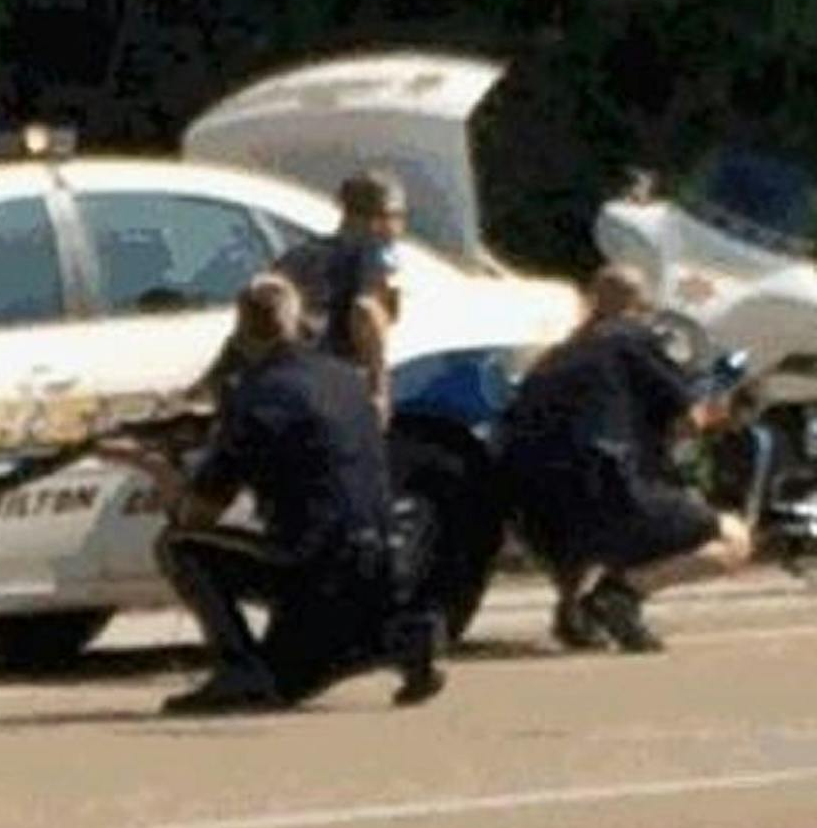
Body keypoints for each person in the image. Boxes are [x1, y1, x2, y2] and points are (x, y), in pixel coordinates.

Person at [98, 272, 446, 714]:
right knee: (322, 650)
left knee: (181, 548)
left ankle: (240, 668)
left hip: (312, 565)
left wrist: (149, 465)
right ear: (297, 322)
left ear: (241, 333)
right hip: (385, 562)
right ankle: (401, 638)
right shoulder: (344, 380)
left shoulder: (257, 400)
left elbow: (197, 516)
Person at [499, 263, 753, 652]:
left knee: (580, 501)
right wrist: (720, 405)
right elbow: (687, 421)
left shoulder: (554, 357)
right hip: (607, 493)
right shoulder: (632, 339)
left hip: (531, 515)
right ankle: (621, 596)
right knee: (733, 538)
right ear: (639, 305)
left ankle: (572, 613)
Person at [189, 169, 407, 426]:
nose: (400, 227)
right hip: (314, 380)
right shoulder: (371, 251)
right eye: (398, 216)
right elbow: (366, 311)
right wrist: (379, 389)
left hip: (258, 377)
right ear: (378, 218)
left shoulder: (300, 254)